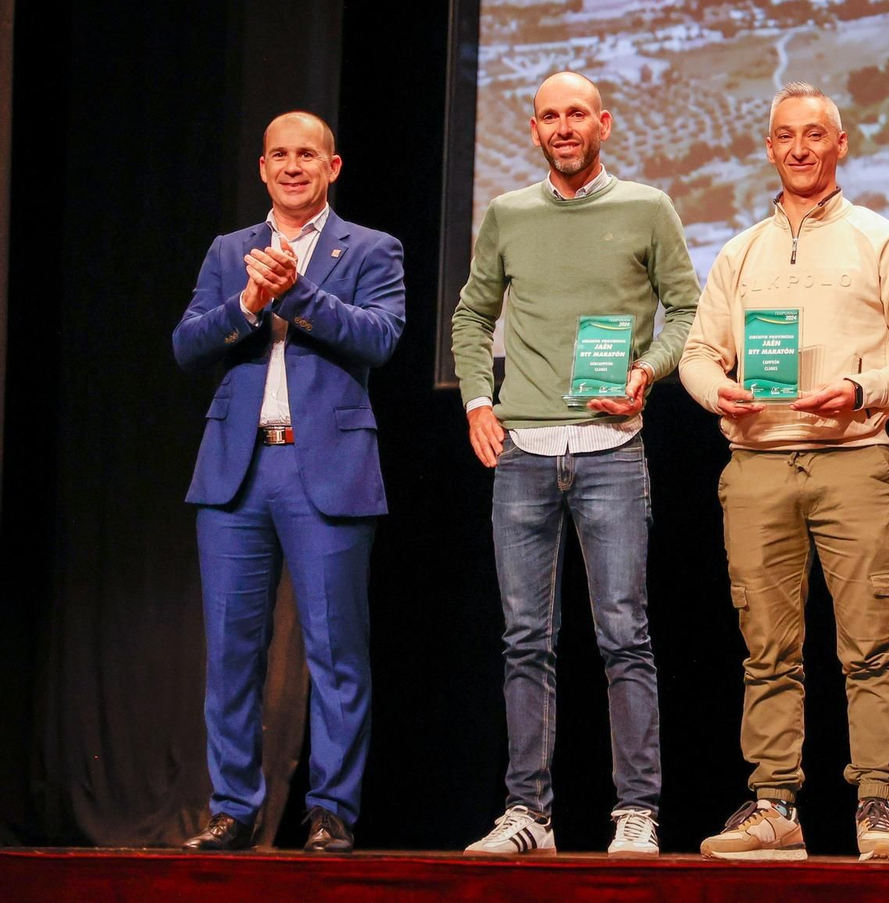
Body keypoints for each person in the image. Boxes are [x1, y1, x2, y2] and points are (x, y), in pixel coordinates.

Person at [678, 82, 889, 863]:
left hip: (854, 461)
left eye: (815, 134)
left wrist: (864, 388)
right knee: (767, 650)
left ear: (841, 144)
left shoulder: (881, 240)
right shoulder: (740, 252)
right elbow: (698, 354)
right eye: (786, 136)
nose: (800, 149)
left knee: (871, 646)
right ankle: (774, 807)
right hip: (757, 464)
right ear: (770, 149)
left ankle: (877, 806)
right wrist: (716, 391)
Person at [451, 71, 700, 857]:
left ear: (604, 123)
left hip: (612, 451)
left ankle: (637, 811)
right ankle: (529, 813)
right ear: (533, 130)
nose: (563, 127)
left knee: (624, 635)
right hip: (523, 454)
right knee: (525, 640)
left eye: (577, 115)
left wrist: (647, 370)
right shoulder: (508, 214)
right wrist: (477, 401)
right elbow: (471, 314)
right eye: (550, 116)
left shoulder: (647, 208)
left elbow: (688, 309)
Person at [173, 111, 406, 853]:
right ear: (263, 168)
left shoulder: (370, 247)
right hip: (237, 472)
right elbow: (186, 344)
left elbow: (380, 336)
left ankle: (330, 811)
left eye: (308, 154)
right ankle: (232, 809)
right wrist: (247, 304)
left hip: (326, 468)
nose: (293, 166)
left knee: (336, 654)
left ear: (332, 167)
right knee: (231, 652)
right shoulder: (229, 250)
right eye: (280, 155)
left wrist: (297, 295)